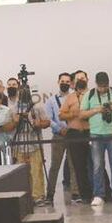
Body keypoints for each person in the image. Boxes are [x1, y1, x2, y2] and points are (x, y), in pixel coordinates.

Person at [80, 71, 112, 206]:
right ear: (96, 84)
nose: (103, 89)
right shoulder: (89, 95)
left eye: (105, 86)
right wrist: (97, 110)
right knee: (97, 166)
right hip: (96, 135)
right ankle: (98, 195)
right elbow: (82, 114)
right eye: (101, 86)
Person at [9, 87, 52, 204]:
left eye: (26, 92)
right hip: (18, 144)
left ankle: (38, 196)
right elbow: (9, 127)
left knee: (36, 170)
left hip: (35, 143)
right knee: (19, 172)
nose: (24, 94)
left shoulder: (36, 108)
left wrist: (39, 123)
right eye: (21, 92)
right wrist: (15, 122)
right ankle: (21, 196)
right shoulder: (13, 109)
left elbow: (47, 122)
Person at [60, 70, 93, 202]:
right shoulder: (70, 97)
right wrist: (73, 114)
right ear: (74, 82)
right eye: (78, 78)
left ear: (87, 79)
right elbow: (61, 115)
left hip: (90, 132)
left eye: (83, 78)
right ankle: (85, 195)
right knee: (79, 166)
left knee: (95, 164)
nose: (81, 80)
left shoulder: (93, 95)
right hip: (74, 133)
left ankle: (102, 193)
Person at [44, 72, 74, 203]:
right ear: (58, 82)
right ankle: (50, 195)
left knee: (74, 166)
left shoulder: (75, 98)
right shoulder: (51, 100)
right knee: (55, 166)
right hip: (58, 136)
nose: (65, 84)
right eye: (63, 81)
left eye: (67, 82)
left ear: (71, 83)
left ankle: (76, 194)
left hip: (73, 135)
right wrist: (59, 129)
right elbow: (48, 119)